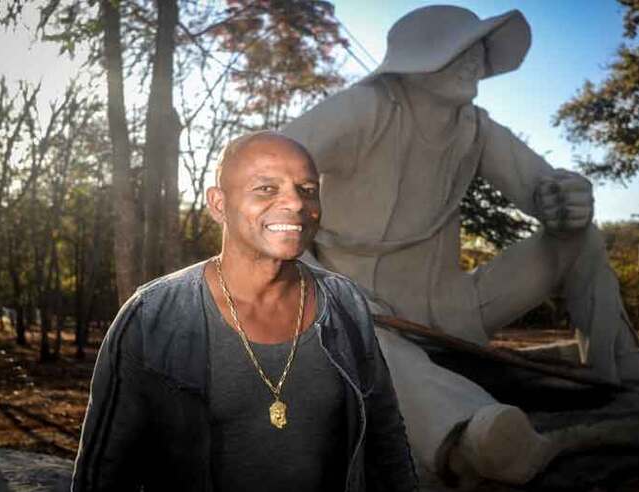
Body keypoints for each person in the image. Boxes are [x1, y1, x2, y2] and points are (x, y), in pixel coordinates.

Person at [283, 4, 639, 486]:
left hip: (453, 311)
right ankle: (473, 436)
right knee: (361, 339)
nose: (477, 60)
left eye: (480, 49)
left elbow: (543, 189)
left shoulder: (476, 127)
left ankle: (614, 360)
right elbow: (265, 169)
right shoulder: (365, 107)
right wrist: (310, 276)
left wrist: (567, 199)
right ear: (418, 58)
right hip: (365, 312)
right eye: (462, 49)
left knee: (578, 237)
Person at [71, 132, 418, 491]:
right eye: (266, 189)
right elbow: (104, 473)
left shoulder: (345, 304)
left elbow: (386, 443)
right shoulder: (152, 316)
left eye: (307, 189)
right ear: (218, 204)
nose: (296, 204)